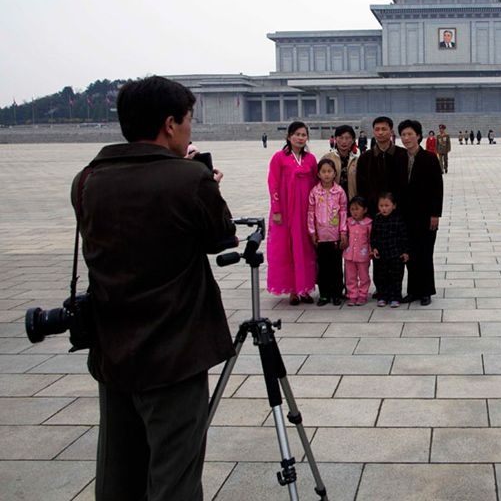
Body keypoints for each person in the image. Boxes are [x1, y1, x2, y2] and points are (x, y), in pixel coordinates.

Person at [74, 76, 237, 500]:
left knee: (118, 475)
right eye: (188, 121)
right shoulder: (188, 180)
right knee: (174, 477)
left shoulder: (87, 180)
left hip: (113, 351)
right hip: (173, 354)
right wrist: (207, 184)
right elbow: (221, 239)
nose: (189, 130)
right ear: (169, 124)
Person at [267, 121, 318, 305]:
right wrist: (277, 210)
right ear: (289, 137)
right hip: (286, 211)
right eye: (297, 134)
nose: (300, 138)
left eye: (304, 135)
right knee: (287, 248)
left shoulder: (311, 159)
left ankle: (305, 288)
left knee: (305, 248)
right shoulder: (279, 158)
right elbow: (273, 184)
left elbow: (315, 184)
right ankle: (292, 290)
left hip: (305, 210)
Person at [356, 116, 404, 300]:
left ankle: (395, 289)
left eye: (384, 129)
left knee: (396, 253)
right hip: (375, 214)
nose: (381, 132)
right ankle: (381, 288)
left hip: (396, 213)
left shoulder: (400, 155)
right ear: (373, 132)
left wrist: (397, 207)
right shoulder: (366, 157)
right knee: (377, 252)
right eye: (377, 129)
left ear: (391, 132)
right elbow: (361, 185)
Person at [396, 119, 444, 306]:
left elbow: (437, 189)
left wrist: (435, 215)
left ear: (418, 136)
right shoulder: (399, 158)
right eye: (404, 135)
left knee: (424, 253)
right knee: (410, 254)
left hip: (425, 216)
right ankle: (413, 290)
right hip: (405, 215)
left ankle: (426, 291)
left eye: (410, 134)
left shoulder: (430, 158)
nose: (407, 138)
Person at [308, 158, 348, 306]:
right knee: (323, 266)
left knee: (336, 266)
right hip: (320, 236)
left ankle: (337, 293)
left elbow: (343, 212)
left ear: (334, 173)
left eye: (329, 171)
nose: (326, 174)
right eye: (323, 171)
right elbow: (310, 212)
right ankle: (324, 294)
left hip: (335, 236)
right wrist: (312, 232)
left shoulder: (339, 192)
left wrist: (343, 232)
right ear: (318, 174)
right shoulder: (315, 192)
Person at [370, 192, 409, 308]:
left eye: (387, 205)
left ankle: (395, 297)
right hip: (381, 254)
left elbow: (404, 237)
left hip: (396, 254)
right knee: (381, 276)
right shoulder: (377, 219)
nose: (384, 209)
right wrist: (374, 248)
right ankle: (383, 296)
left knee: (396, 277)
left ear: (394, 206)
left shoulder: (398, 219)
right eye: (381, 206)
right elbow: (373, 236)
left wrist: (405, 251)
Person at [344, 196, 373, 306]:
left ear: (365, 210)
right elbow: (344, 235)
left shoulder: (368, 223)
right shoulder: (348, 222)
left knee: (364, 276)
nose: (354, 212)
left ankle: (362, 295)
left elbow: (371, 239)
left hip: (363, 255)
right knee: (350, 276)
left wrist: (371, 250)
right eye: (352, 209)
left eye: (357, 209)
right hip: (349, 254)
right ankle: (352, 295)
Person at [322, 124, 359, 200]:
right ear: (335, 139)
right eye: (341, 138)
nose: (344, 141)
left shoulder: (357, 160)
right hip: (331, 201)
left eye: (347, 138)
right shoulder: (327, 158)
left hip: (352, 202)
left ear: (352, 140)